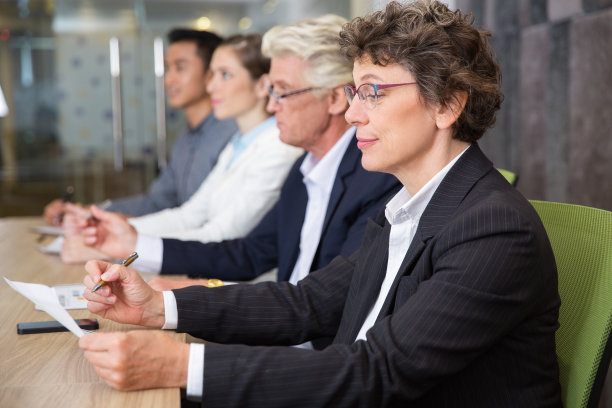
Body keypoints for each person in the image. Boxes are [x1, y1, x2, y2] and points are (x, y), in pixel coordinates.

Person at [79, 2, 562, 407]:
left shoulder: (494, 228)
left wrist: (182, 364)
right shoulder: (406, 205)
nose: (352, 113)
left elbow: (379, 374)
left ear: (447, 105)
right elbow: (307, 302)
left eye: (371, 92)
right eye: (355, 93)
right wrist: (158, 307)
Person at [78, 15, 399, 296]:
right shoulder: (305, 167)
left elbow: (317, 302)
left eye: (282, 91)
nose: (272, 106)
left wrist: (201, 292)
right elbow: (250, 252)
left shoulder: (374, 179)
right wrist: (135, 244)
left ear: (333, 99)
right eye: (271, 91)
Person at [61, 33, 303, 264]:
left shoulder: (278, 149)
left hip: (244, 283)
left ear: (262, 85)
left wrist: (126, 246)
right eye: (212, 75)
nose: (212, 87)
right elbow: (190, 215)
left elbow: (222, 234)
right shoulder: (238, 143)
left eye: (225, 75)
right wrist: (114, 232)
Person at [43, 28, 237, 225]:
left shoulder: (231, 135)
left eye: (180, 68)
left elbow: (214, 221)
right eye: (167, 68)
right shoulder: (185, 140)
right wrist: (90, 211)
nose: (169, 79)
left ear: (211, 74)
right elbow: (158, 201)